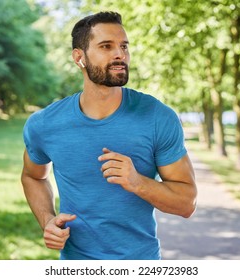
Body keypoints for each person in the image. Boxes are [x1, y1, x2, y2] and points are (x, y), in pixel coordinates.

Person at [21, 11, 197, 260]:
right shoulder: (44, 124)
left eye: (124, 47)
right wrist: (47, 220)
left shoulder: (157, 117)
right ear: (79, 57)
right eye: (106, 46)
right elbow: (32, 176)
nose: (120, 55)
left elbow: (186, 203)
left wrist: (138, 182)